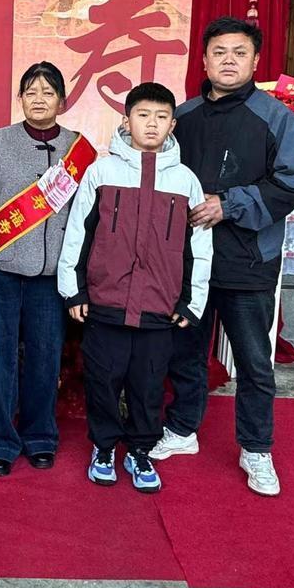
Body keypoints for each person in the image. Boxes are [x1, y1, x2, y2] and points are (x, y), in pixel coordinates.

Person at [155, 17, 294, 497]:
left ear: (255, 61)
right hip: (190, 261)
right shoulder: (184, 117)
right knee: (185, 352)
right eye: (219, 52)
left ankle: (256, 448)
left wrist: (230, 204)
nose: (228, 60)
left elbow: (292, 183)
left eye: (239, 53)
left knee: (254, 362)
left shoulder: (276, 118)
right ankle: (182, 429)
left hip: (248, 260)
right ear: (203, 60)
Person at [57, 83, 212, 493]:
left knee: (147, 386)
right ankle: (105, 447)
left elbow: (199, 247)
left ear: (172, 125)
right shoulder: (101, 172)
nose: (152, 124)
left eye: (161, 117)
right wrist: (74, 290)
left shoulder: (186, 181)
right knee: (103, 381)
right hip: (105, 302)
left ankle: (141, 451)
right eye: (143, 115)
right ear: (126, 121)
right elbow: (78, 234)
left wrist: (192, 302)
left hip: (159, 307)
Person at [0, 62, 98, 477]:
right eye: (31, 91)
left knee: (45, 358)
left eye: (48, 92)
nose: (39, 99)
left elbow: (86, 216)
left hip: (51, 277)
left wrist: (79, 277)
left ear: (63, 101)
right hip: (1, 271)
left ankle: (40, 437)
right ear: (20, 98)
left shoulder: (78, 150)